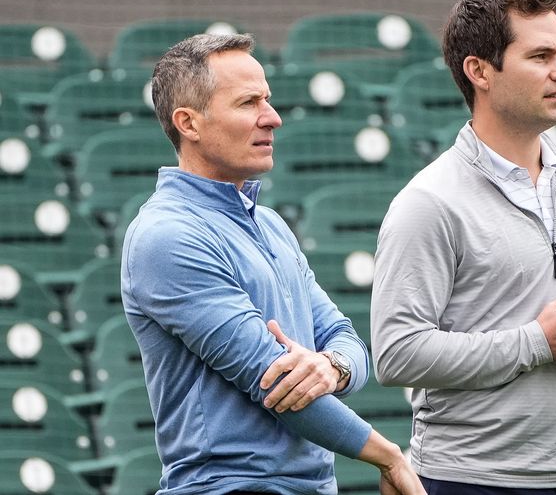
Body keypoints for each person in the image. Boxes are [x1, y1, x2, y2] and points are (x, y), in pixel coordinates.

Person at [121, 33, 425, 495]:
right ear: (189, 123)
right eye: (249, 103)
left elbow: (350, 344)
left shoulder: (271, 224)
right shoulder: (166, 236)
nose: (273, 117)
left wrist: (331, 366)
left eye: (268, 100)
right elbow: (273, 383)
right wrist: (387, 456)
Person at [370, 0, 556, 494]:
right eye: (541, 57)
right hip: (466, 480)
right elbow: (396, 352)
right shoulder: (427, 202)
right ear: (479, 71)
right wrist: (536, 342)